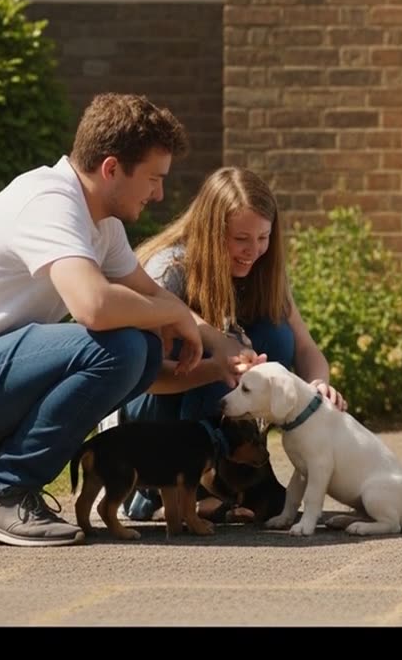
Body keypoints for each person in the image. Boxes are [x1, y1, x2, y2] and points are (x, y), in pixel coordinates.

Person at [0, 93, 204, 547]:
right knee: (123, 348)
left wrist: (228, 350)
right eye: (154, 179)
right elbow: (94, 307)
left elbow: (151, 296)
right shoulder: (50, 202)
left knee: (145, 352)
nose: (159, 194)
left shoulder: (102, 224)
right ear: (111, 168)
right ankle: (3, 490)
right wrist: (172, 313)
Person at [102, 165, 348, 520]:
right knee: (212, 350)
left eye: (263, 237)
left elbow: (305, 347)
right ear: (210, 232)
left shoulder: (265, 271)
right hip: (146, 423)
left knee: (275, 333)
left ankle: (232, 481)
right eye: (241, 239)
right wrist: (217, 366)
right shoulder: (170, 269)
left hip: (205, 403)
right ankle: (166, 490)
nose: (253, 250)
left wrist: (318, 385)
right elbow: (144, 375)